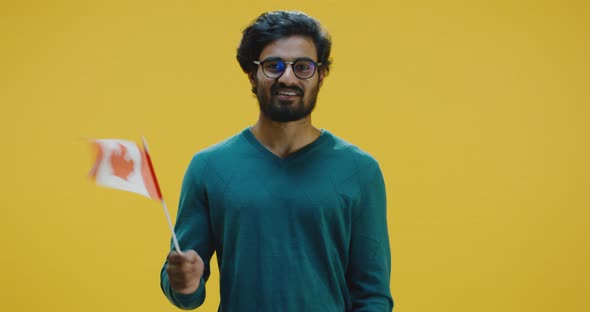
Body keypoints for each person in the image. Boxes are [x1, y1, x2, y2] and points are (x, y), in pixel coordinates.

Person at [160, 10, 393, 311]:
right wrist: (183, 283)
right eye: (273, 66)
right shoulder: (209, 168)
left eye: (303, 67)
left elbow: (373, 294)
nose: (287, 77)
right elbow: (183, 287)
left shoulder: (360, 170)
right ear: (252, 75)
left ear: (321, 75)